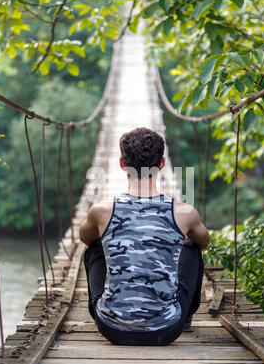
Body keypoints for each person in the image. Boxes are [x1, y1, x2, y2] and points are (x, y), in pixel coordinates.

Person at [79, 127, 210, 346]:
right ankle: (184, 318)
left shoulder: (101, 210)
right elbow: (204, 242)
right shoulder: (185, 212)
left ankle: (111, 308)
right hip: (167, 330)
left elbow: (86, 237)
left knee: (94, 246)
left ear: (122, 164)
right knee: (192, 248)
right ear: (162, 164)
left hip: (111, 329)